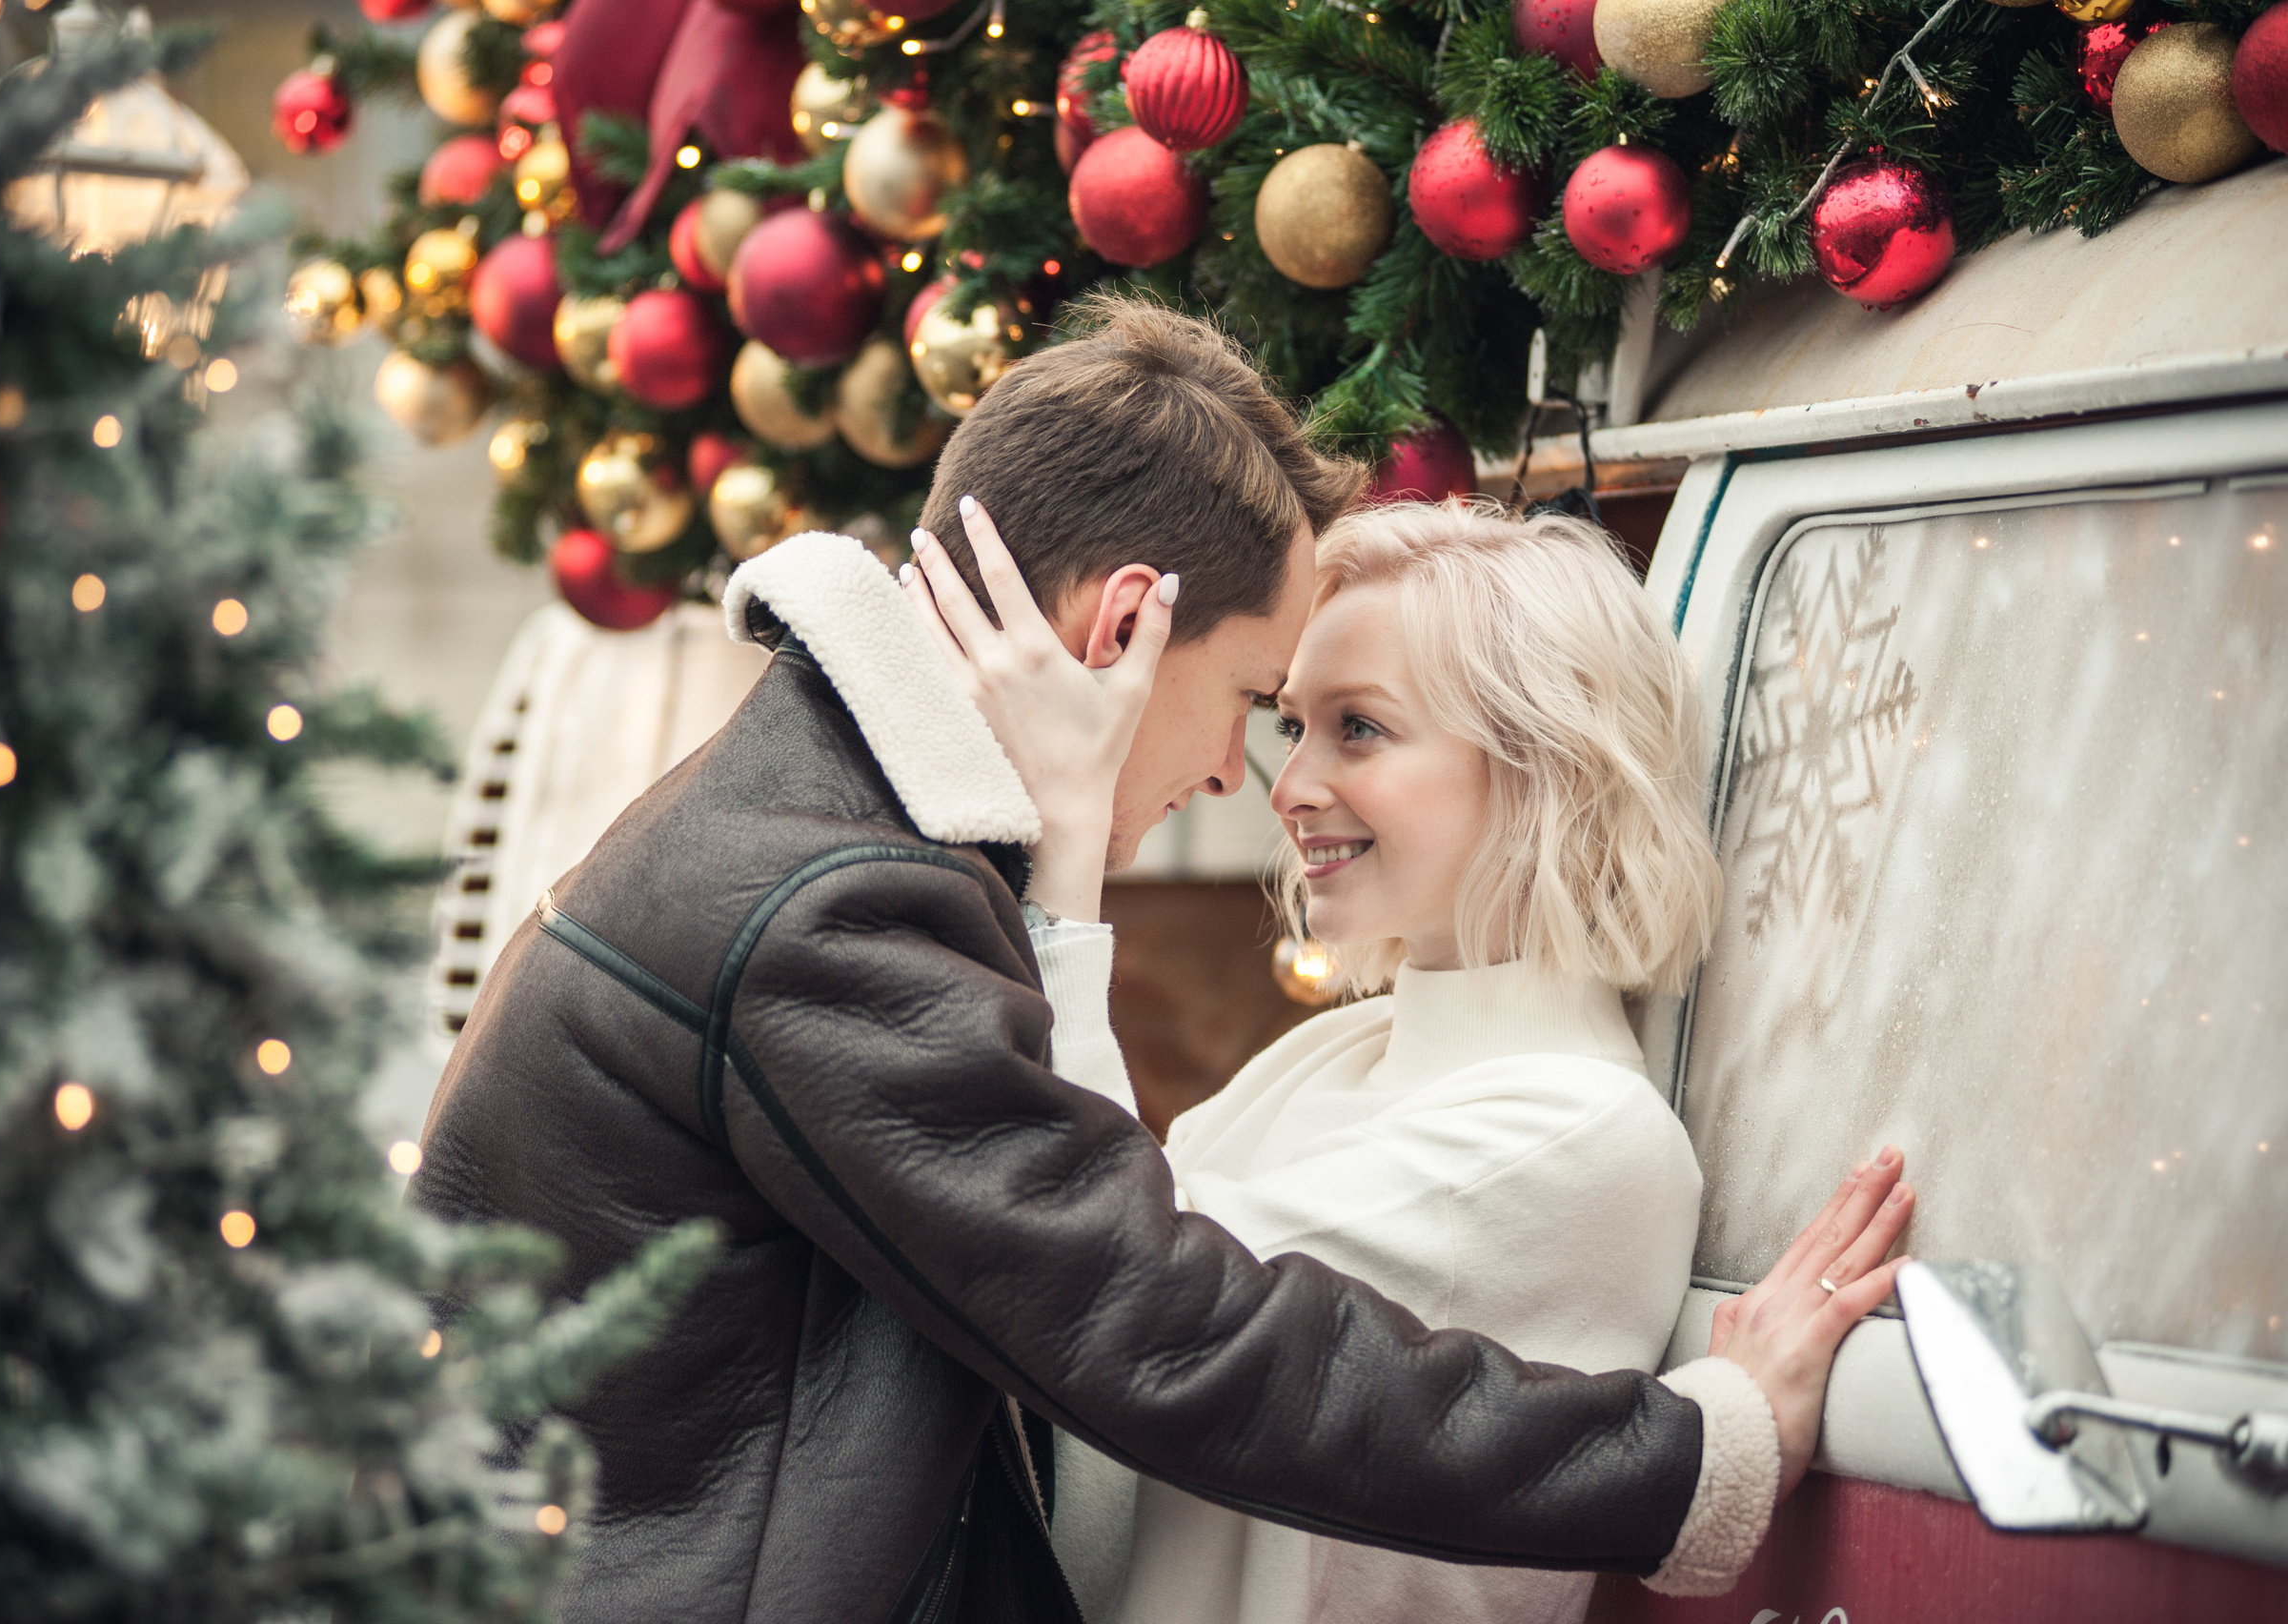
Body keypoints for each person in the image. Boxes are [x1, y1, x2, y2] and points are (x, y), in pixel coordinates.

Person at [411, 297, 1913, 1624]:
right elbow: (1167, 1326)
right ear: (1125, 622)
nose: (1239, 779)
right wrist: (1704, 1452)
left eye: (1347, 723)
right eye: (1263, 699)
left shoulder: (811, 826)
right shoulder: (841, 901)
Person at [906, 492, 1872, 1624]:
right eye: (1290, 725)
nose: (1295, 785)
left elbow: (1106, 1290)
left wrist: (1067, 850)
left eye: (1357, 726)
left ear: (1541, 757)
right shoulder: (1331, 1056)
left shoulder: (1572, 1128)